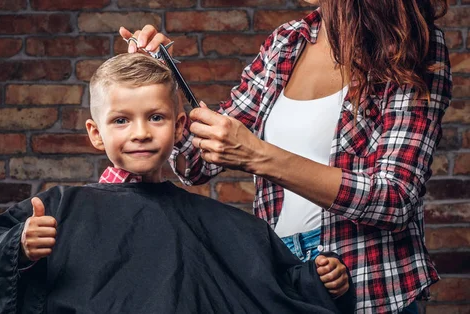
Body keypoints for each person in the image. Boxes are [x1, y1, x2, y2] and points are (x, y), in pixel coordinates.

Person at [0, 53, 355, 314]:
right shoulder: (59, 210)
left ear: (180, 126)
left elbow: (271, 289)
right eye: (121, 120)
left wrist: (319, 282)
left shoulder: (221, 224)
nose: (141, 132)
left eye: (157, 117)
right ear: (96, 133)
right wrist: (18, 248)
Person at [119, 0, 452, 313]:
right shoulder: (287, 42)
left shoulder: (410, 45)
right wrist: (163, 85)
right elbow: (195, 162)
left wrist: (259, 155)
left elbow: (393, 198)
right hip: (281, 276)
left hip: (367, 281)